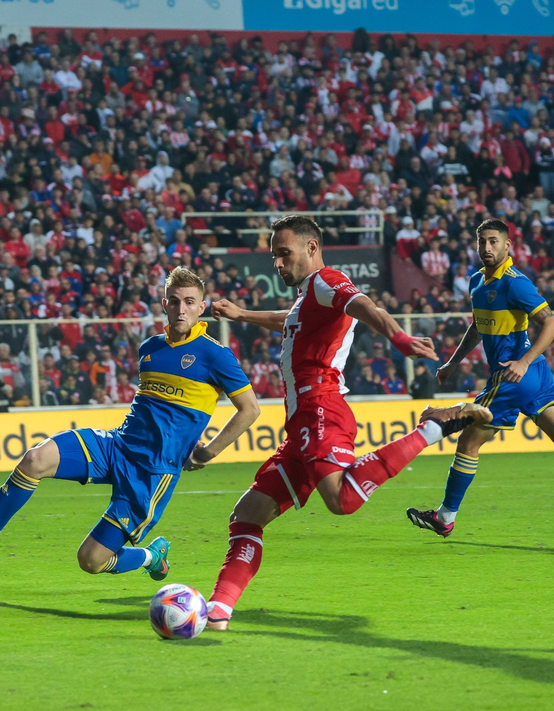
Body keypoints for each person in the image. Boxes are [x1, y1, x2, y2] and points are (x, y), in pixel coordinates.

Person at [204, 215, 492, 630]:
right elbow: (290, 320)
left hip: (321, 406)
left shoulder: (328, 281)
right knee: (247, 515)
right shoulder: (308, 295)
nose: (278, 264)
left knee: (341, 500)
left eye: (284, 254)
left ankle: (436, 426)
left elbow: (366, 307)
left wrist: (400, 339)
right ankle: (217, 610)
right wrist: (243, 315)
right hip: (299, 424)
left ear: (311, 248)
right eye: (274, 257)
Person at [0, 269, 260, 580]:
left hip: (151, 473)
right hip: (117, 445)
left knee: (90, 560)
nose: (181, 309)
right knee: (35, 459)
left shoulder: (215, 355)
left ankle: (150, 556)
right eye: (174, 301)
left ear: (201, 307)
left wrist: (208, 452)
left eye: (189, 302)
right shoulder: (150, 348)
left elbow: (250, 409)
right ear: (164, 304)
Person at [407, 218, 554, 536]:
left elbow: (550, 321)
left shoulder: (515, 283)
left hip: (513, 376)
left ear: (507, 245)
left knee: (468, 440)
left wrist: (524, 362)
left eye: (493, 241)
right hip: (535, 375)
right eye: (482, 241)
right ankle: (444, 516)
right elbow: (477, 327)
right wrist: (452, 363)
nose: (487, 247)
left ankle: (444, 517)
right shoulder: (477, 281)